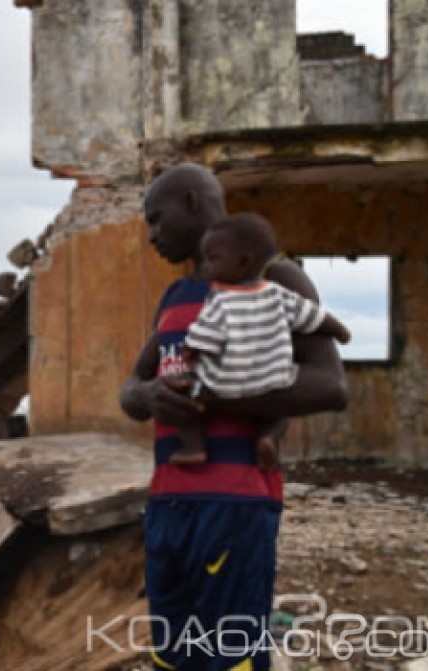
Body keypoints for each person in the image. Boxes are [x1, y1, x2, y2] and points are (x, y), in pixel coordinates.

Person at [119, 163, 348, 671]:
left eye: (157, 219)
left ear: (193, 203)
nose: (152, 235)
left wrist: (213, 393)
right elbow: (131, 388)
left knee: (230, 657)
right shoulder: (175, 296)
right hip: (168, 504)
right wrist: (150, 394)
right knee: (171, 655)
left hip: (235, 503)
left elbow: (330, 385)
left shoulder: (275, 278)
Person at [173, 212, 351, 468]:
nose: (204, 267)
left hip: (226, 382)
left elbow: (206, 333)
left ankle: (194, 448)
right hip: (272, 378)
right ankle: (268, 437)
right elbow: (312, 316)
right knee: (281, 408)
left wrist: (190, 350)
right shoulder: (278, 293)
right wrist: (340, 331)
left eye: (212, 259)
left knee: (183, 395)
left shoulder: (220, 300)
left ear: (243, 262)